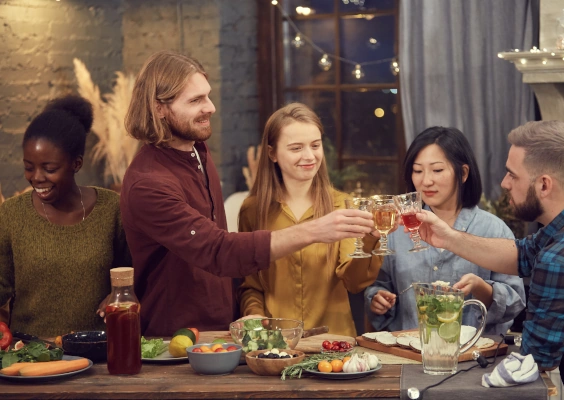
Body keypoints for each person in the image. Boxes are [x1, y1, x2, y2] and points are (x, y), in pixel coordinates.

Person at [120, 51, 374, 337]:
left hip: (222, 332)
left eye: (207, 95)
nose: (211, 107)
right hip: (176, 340)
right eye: (195, 101)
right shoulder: (148, 183)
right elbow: (219, 250)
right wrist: (315, 230)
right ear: (159, 109)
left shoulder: (197, 150)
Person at [413, 121, 564, 400]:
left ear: (544, 184)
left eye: (513, 175)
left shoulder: (562, 262)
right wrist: (448, 237)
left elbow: (535, 360)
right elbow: (522, 254)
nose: (504, 183)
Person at [237, 103, 383, 337]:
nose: (309, 156)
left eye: (315, 145)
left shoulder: (343, 205)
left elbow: (355, 283)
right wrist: (254, 313)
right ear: (272, 153)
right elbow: (251, 285)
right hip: (276, 342)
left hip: (334, 342)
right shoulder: (252, 211)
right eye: (296, 148)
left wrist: (370, 239)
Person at [365, 127, 526, 335]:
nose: (426, 181)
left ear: (464, 173)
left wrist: (481, 288)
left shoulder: (492, 229)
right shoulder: (399, 229)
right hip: (410, 355)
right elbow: (379, 284)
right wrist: (378, 297)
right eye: (417, 171)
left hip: (473, 359)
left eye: (437, 170)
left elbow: (516, 301)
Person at [0, 95, 130, 337]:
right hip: (32, 357)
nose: (37, 177)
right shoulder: (11, 215)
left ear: (76, 163)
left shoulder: (111, 208)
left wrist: (119, 293)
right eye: (29, 167)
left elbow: (133, 273)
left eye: (49, 169)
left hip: (99, 352)